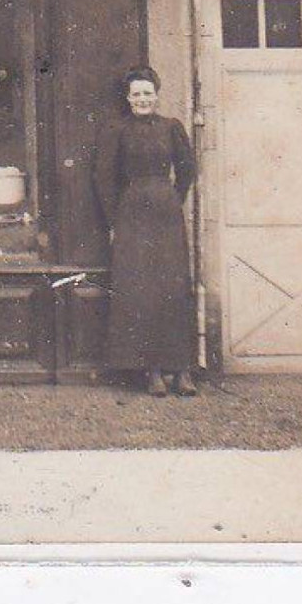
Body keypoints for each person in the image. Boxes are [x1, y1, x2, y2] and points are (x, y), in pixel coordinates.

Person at [92, 66, 199, 397]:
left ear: (156, 95)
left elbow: (187, 168)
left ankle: (181, 370)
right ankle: (151, 370)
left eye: (148, 93)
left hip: (166, 213)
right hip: (132, 214)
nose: (142, 99)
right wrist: (114, 222)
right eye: (136, 94)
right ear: (128, 98)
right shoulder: (117, 131)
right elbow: (103, 179)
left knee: (175, 286)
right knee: (143, 290)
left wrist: (172, 198)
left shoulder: (172, 128)